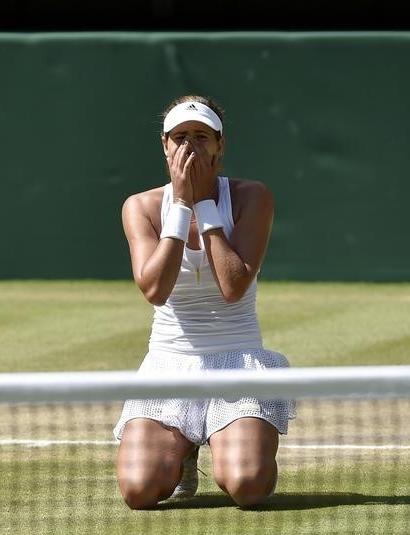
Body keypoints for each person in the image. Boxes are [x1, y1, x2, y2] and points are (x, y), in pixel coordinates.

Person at [113, 94, 295, 509]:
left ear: (219, 145)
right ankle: (184, 449)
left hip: (238, 361)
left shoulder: (253, 196)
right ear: (164, 145)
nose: (189, 146)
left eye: (200, 136)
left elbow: (233, 287)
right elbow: (154, 289)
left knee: (247, 486)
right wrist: (179, 205)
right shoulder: (140, 207)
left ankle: (240, 444)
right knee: (138, 492)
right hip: (167, 366)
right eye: (179, 137)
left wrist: (204, 203)